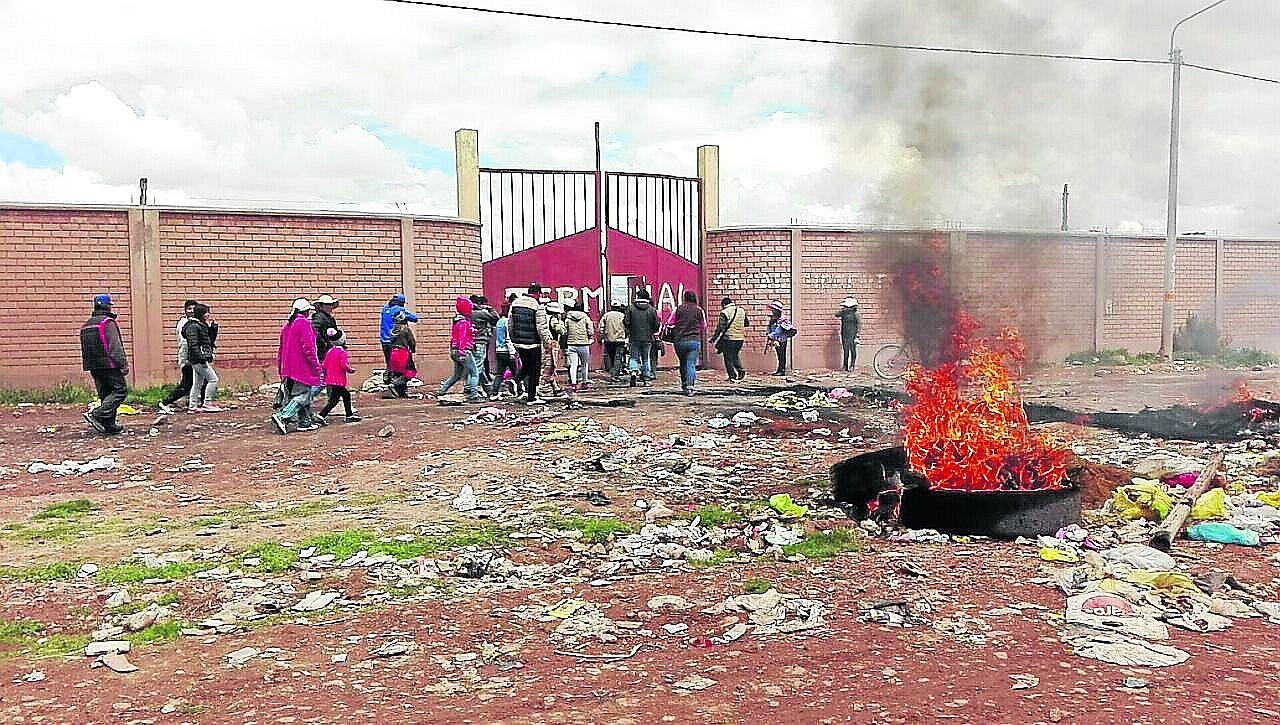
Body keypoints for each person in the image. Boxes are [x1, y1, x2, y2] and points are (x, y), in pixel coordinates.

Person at [271, 298, 323, 434]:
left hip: (288, 368)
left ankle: (304, 422)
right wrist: (316, 366)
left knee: (301, 394)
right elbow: (309, 348)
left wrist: (281, 369)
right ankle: (283, 415)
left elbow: (281, 350)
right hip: (302, 367)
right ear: (306, 311)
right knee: (303, 395)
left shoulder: (288, 326)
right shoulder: (303, 323)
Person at [79, 293, 129, 435]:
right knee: (120, 391)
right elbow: (115, 346)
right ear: (108, 306)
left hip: (93, 365)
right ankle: (97, 414)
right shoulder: (107, 323)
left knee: (106, 394)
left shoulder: (87, 325)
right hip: (109, 364)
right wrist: (122, 363)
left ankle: (109, 424)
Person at [509, 283, 552, 404]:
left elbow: (510, 324)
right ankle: (532, 398)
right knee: (535, 370)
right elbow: (541, 328)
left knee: (526, 365)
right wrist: (547, 343)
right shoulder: (538, 306)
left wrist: (514, 340)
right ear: (538, 294)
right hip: (533, 343)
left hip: (519, 342)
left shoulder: (515, 303)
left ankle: (515, 380)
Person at [439, 296, 482, 402]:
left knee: (457, 375)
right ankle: (474, 395)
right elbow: (461, 337)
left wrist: (472, 331)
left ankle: (442, 391)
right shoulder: (463, 322)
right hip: (463, 351)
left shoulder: (458, 321)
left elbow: (458, 335)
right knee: (474, 372)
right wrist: (462, 351)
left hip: (454, 350)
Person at [159, 299, 198, 413]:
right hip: (187, 358)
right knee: (186, 383)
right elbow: (185, 343)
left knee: (198, 381)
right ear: (185, 311)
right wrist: (186, 359)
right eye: (189, 309)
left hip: (195, 358)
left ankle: (193, 402)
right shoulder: (184, 323)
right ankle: (165, 402)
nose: (191, 311)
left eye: (193, 309)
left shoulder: (195, 322)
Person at [183, 303, 223, 413]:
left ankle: (193, 406)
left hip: (197, 359)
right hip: (199, 360)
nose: (208, 314)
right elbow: (194, 345)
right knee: (213, 379)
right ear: (201, 314)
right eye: (206, 312)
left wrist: (212, 328)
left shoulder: (199, 325)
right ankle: (207, 403)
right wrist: (202, 358)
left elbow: (208, 341)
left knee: (197, 384)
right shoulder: (193, 326)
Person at [317, 328, 361, 423]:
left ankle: (347, 414)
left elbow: (324, 365)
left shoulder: (330, 351)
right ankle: (322, 415)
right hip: (338, 380)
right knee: (338, 398)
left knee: (340, 397)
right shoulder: (342, 352)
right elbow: (343, 365)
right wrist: (350, 370)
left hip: (330, 380)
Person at [669, 291, 705, 395]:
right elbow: (704, 326)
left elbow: (670, 323)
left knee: (683, 363)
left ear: (684, 298)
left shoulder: (678, 309)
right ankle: (690, 387)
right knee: (691, 364)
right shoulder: (699, 310)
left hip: (680, 341)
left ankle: (684, 384)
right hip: (694, 341)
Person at [623, 288, 660, 386]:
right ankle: (646, 378)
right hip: (648, 338)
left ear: (638, 297)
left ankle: (634, 373)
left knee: (633, 357)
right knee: (646, 358)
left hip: (634, 337)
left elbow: (626, 322)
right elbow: (656, 324)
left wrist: (630, 330)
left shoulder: (631, 308)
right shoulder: (652, 309)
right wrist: (652, 331)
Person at [709, 296, 749, 382]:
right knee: (734, 355)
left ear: (723, 304)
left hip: (729, 338)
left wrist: (713, 338)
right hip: (740, 338)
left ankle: (732, 376)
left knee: (727, 357)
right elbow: (746, 323)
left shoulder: (724, 312)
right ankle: (740, 370)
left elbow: (720, 328)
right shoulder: (741, 310)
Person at [380, 293, 417, 382]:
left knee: (390, 364)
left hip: (384, 341)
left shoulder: (385, 309)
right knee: (404, 368)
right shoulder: (399, 310)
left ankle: (389, 380)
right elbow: (415, 318)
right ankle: (396, 385)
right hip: (395, 342)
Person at [490, 299, 520, 399]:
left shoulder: (499, 321)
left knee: (499, 373)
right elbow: (508, 338)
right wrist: (512, 352)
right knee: (516, 372)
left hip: (499, 350)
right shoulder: (507, 322)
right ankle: (520, 391)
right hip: (507, 351)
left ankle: (494, 393)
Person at [469, 294, 499, 391]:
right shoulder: (480, 313)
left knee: (477, 365)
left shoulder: (466, 313)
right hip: (480, 341)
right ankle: (471, 389)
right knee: (477, 365)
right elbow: (495, 317)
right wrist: (489, 308)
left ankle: (486, 386)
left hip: (470, 342)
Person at [385, 310, 417, 398]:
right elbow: (412, 342)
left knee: (399, 373)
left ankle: (402, 392)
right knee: (410, 372)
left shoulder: (393, 330)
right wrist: (413, 350)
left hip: (393, 353)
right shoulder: (406, 330)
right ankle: (394, 385)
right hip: (403, 353)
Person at [564, 300, 594, 392]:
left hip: (571, 344)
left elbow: (565, 331)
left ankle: (573, 384)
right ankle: (584, 383)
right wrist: (589, 337)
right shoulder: (586, 318)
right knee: (584, 364)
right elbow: (590, 330)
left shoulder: (568, 318)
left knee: (573, 365)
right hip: (584, 344)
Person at [541, 301, 567, 397]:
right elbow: (561, 330)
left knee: (549, 367)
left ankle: (555, 388)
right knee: (550, 367)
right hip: (552, 344)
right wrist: (561, 323)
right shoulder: (553, 319)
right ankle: (542, 387)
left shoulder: (543, 318)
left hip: (544, 344)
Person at [765, 300, 797, 376]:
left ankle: (782, 370)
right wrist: (768, 333)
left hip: (781, 340)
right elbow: (770, 327)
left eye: (774, 309)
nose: (772, 311)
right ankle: (779, 370)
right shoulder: (774, 318)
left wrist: (771, 335)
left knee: (782, 355)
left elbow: (778, 331)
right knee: (779, 355)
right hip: (776, 340)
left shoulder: (782, 320)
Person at [600, 302, 627, 381]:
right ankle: (615, 374)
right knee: (618, 357)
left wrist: (602, 335)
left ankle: (612, 373)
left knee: (610, 357)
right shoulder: (622, 316)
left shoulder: (606, 315)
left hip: (608, 339)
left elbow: (601, 327)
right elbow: (627, 326)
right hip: (620, 340)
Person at [312, 294, 340, 362]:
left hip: (328, 352)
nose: (330, 307)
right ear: (321, 306)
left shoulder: (328, 317)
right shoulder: (319, 317)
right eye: (327, 304)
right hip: (323, 354)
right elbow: (314, 330)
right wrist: (324, 344)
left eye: (331, 304)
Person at [836, 297, 862, 371]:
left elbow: (859, 324)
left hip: (853, 334)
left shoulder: (856, 313)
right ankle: (845, 365)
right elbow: (836, 314)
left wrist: (857, 335)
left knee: (853, 350)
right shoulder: (843, 312)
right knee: (845, 350)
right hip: (844, 333)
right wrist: (843, 310)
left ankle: (852, 365)